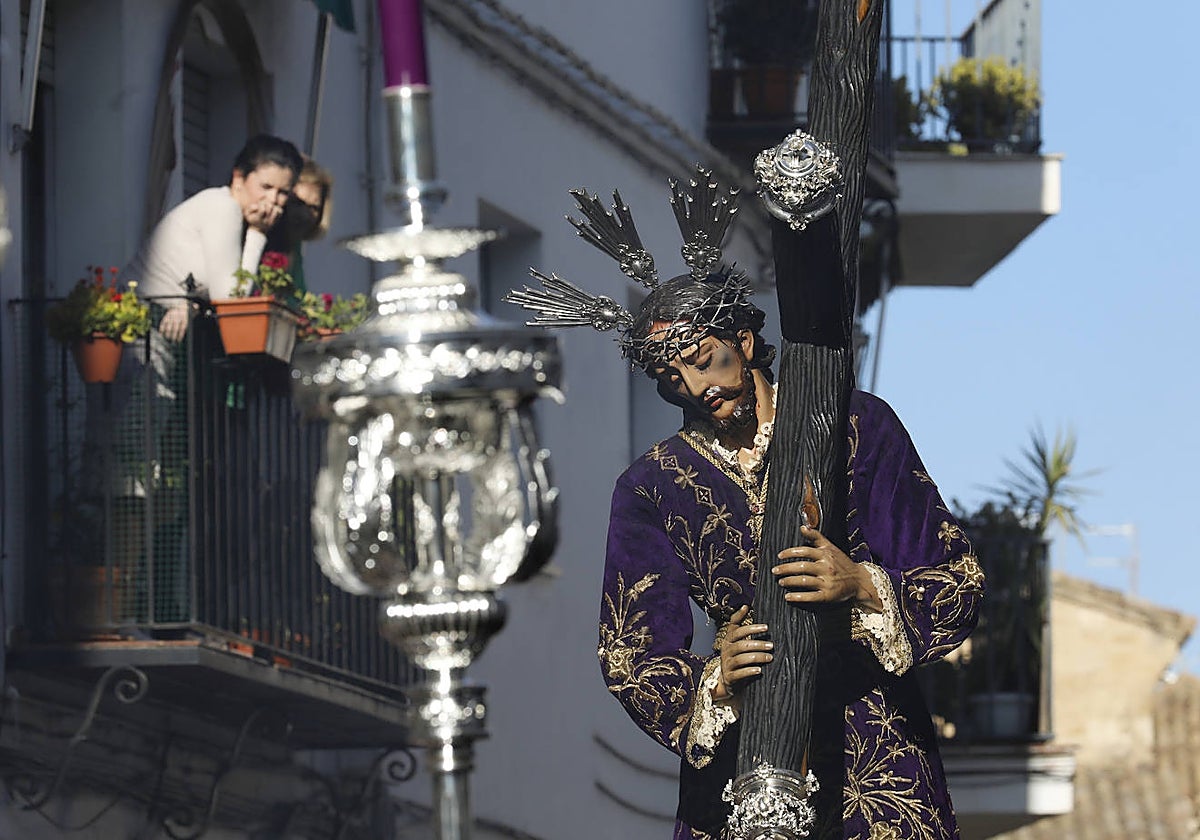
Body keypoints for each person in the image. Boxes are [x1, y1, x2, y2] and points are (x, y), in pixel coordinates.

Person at [506, 170, 985, 839]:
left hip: (874, 751)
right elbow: (631, 652)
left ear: (746, 341)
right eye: (673, 378)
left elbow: (953, 573)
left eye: (704, 360)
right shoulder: (653, 486)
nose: (696, 386)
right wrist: (716, 679)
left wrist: (863, 587)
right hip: (741, 764)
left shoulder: (855, 426)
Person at [125, 133, 304, 340]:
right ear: (239, 177)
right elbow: (231, 302)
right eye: (266, 187)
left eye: (283, 192)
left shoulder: (232, 212)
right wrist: (258, 233)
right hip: (141, 327)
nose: (273, 200)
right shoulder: (223, 207)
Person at [264, 156, 334, 294]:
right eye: (297, 203)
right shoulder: (258, 242)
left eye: (313, 208)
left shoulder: (294, 247)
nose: (304, 215)